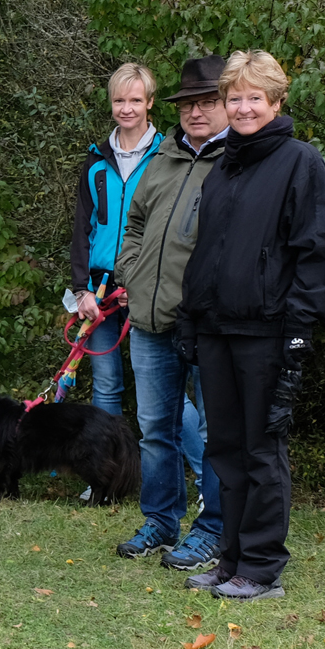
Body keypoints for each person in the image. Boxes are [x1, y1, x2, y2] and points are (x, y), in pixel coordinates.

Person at [176, 51, 325, 600]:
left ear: (276, 101)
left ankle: (262, 565)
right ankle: (231, 559)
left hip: (268, 332)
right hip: (217, 330)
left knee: (261, 450)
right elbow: (207, 252)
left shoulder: (301, 162)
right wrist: (190, 317)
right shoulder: (224, 164)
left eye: (254, 97)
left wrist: (298, 336)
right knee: (223, 448)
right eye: (235, 97)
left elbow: (317, 254)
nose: (243, 107)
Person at [113, 54, 228, 570]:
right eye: (189, 104)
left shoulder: (236, 162)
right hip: (150, 319)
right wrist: (132, 277)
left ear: (227, 104)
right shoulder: (164, 158)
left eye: (208, 102)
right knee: (156, 427)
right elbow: (134, 224)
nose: (197, 113)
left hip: (207, 322)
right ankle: (161, 521)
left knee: (212, 432)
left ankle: (214, 529)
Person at [70, 63, 166, 423]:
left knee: (157, 386)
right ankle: (105, 477)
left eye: (136, 100)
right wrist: (81, 290)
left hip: (145, 288)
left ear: (150, 102)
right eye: (119, 100)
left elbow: (166, 231)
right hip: (98, 292)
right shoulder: (95, 161)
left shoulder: (166, 159)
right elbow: (82, 229)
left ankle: (205, 476)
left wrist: (138, 281)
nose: (127, 108)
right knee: (106, 386)